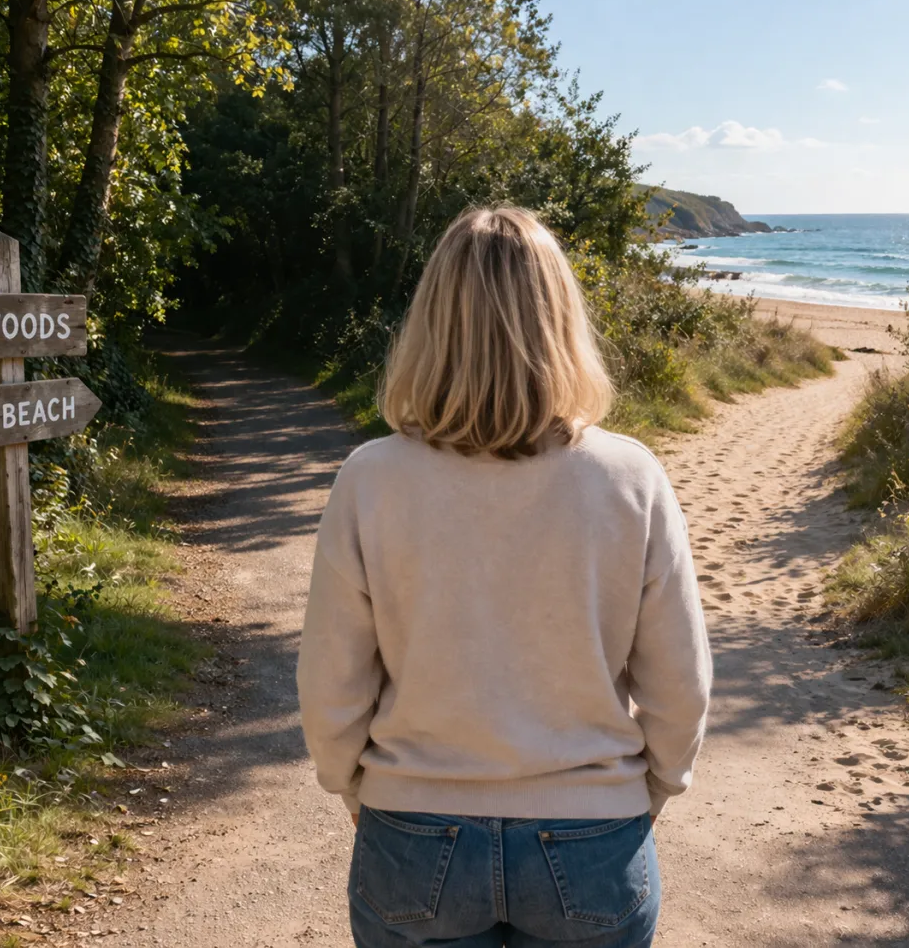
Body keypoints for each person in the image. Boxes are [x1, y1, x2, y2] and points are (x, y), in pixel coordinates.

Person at [298, 206, 712, 948]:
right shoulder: (630, 477)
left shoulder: (371, 478)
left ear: (432, 323)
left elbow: (329, 680)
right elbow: (681, 682)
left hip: (412, 838)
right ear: (560, 320)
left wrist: (359, 788)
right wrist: (647, 792)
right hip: (594, 839)